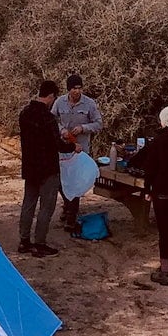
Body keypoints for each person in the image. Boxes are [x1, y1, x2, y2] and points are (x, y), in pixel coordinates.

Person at [132, 104, 168, 285]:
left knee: (165, 233)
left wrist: (147, 190)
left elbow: (149, 169)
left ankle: (164, 272)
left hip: (162, 195)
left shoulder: (158, 142)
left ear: (163, 122)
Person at [17, 79, 68, 257]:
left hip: (30, 167)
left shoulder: (25, 113)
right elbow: (58, 145)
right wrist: (72, 147)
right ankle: (40, 243)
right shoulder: (48, 118)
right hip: (47, 168)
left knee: (28, 204)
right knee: (46, 207)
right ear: (51, 96)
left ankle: (24, 241)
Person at [51, 71, 103, 230]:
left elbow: (99, 124)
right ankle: (67, 206)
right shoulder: (59, 102)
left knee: (75, 182)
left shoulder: (89, 104)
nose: (77, 91)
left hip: (80, 151)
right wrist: (61, 130)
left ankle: (71, 218)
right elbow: (52, 120)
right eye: (74, 88)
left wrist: (83, 128)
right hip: (63, 149)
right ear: (68, 89)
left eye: (79, 88)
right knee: (61, 182)